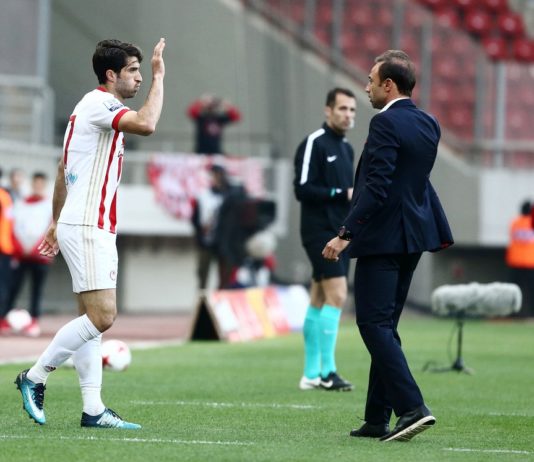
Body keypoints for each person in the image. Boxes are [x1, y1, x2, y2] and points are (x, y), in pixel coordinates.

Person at [14, 38, 166, 429]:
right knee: (102, 316)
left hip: (83, 222)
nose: (139, 78)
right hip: (87, 224)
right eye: (133, 70)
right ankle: (34, 376)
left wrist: (55, 221)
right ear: (111, 75)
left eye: (141, 71)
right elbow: (147, 124)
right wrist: (159, 77)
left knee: (89, 318)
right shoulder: (101, 104)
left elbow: (63, 168)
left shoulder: (89, 107)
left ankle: (93, 408)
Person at [322, 50, 453, 442]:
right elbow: (409, 181)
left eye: (371, 80)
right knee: (386, 326)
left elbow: (377, 186)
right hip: (414, 237)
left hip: (382, 238)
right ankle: (377, 417)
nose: (367, 87)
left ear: (389, 85)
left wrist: (345, 233)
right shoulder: (429, 123)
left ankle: (412, 407)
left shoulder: (384, 123)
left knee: (372, 324)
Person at [293, 87, 356, 392]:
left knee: (319, 298)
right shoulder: (314, 143)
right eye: (342, 108)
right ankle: (328, 372)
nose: (348, 115)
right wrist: (341, 193)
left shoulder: (347, 149)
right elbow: (302, 189)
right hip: (318, 231)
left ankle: (310, 374)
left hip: (340, 233)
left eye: (352, 110)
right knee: (339, 294)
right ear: (328, 110)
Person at [2, 172, 53, 337]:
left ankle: (34, 320)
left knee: (37, 289)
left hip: (40, 256)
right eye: (35, 183)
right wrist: (19, 247)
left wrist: (36, 248)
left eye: (41, 184)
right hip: (21, 255)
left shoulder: (50, 205)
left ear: (44, 185)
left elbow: (50, 228)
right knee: (13, 287)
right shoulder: (21, 204)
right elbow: (13, 226)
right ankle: (4, 318)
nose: (38, 186)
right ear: (32, 184)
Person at [191, 164, 233, 290]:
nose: (215, 179)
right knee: (202, 274)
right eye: (214, 176)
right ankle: (202, 298)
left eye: (218, 176)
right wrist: (200, 235)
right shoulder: (204, 196)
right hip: (207, 241)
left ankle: (220, 298)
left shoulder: (230, 196)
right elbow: (195, 219)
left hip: (224, 242)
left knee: (225, 275)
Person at [505, 199, 534, 317]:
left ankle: (512, 314)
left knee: (513, 291)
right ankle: (531, 314)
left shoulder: (514, 223)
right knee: (531, 291)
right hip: (530, 263)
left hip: (515, 262)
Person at [0, 169, 15, 335]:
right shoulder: (6, 196)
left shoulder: (4, 197)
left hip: (4, 249)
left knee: (3, 287)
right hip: (5, 248)